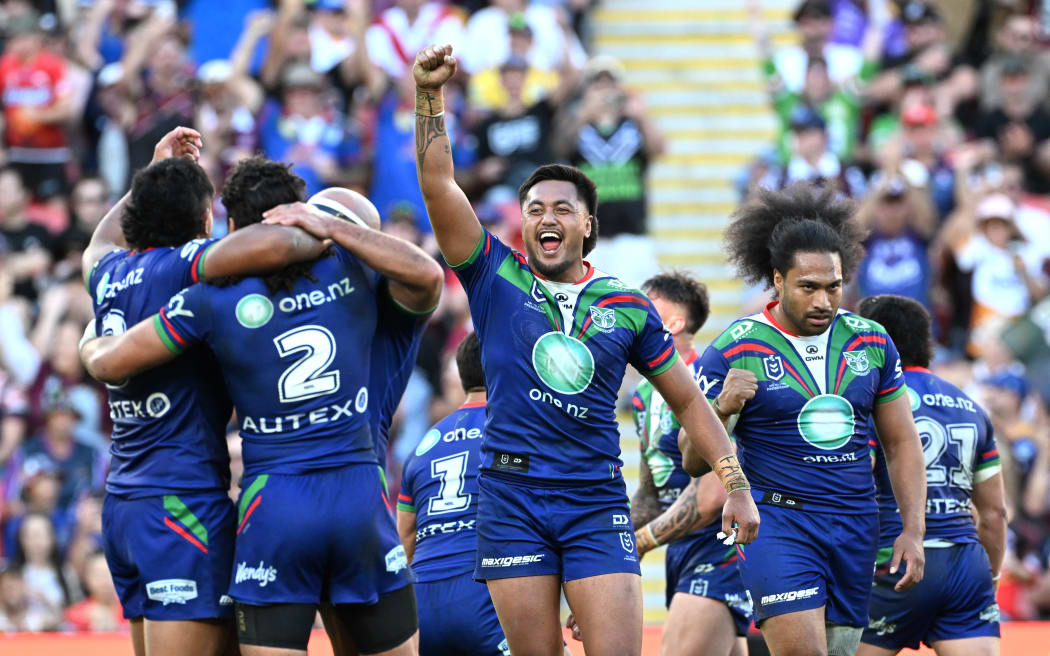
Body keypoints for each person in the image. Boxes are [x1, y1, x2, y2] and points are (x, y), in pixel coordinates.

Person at [412, 44, 758, 656]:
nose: (547, 217)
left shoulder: (626, 305)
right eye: (535, 209)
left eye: (563, 209)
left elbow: (687, 399)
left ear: (587, 225)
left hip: (594, 499)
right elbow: (438, 182)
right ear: (521, 221)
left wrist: (735, 482)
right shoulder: (495, 276)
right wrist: (430, 96)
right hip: (512, 497)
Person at [81, 156, 444, 656]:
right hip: (359, 496)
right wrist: (331, 227)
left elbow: (114, 361)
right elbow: (427, 275)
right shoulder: (355, 268)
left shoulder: (209, 298)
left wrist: (91, 342)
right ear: (299, 212)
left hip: (272, 508)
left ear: (231, 228)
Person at [80, 129, 329, 656]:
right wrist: (320, 229)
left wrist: (148, 175)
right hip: (181, 504)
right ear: (202, 221)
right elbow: (274, 244)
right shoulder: (184, 264)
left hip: (124, 505)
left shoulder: (106, 271)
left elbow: (97, 242)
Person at [684, 183, 926, 656]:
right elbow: (693, 459)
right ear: (777, 280)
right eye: (808, 287)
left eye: (833, 286)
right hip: (778, 522)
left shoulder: (871, 343)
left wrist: (913, 531)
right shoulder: (738, 346)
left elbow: (901, 444)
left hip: (855, 527)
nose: (823, 301)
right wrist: (723, 408)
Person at [855, 294, 1005, 656]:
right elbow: (995, 514)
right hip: (964, 565)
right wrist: (991, 576)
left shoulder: (871, 402)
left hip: (893, 562)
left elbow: (854, 486)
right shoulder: (971, 408)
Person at [629, 272, 751, 656]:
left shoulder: (705, 383)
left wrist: (642, 541)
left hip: (719, 547)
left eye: (646, 305)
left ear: (673, 323)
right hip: (681, 550)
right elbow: (650, 493)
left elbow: (715, 493)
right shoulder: (642, 396)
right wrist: (614, 557)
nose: (632, 315)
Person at [396, 332, 509, 655]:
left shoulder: (426, 444)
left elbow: (405, 539)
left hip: (423, 608)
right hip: (488, 599)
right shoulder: (516, 431)